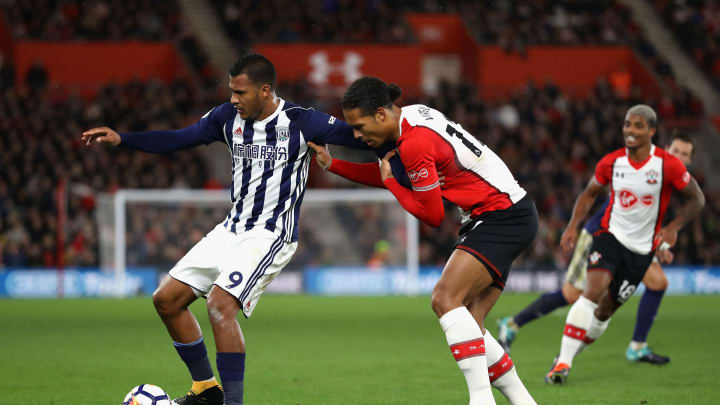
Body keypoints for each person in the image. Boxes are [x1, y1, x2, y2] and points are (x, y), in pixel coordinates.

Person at [81, 54, 372, 405]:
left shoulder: (302, 122)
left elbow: (360, 135)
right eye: (231, 91)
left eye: (240, 92)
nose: (233, 99)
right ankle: (206, 389)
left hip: (272, 233)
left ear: (265, 90)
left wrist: (406, 139)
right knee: (167, 300)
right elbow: (178, 138)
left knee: (219, 306)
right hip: (231, 228)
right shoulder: (225, 118)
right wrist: (123, 139)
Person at [308, 76, 537, 405]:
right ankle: (524, 401)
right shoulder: (414, 115)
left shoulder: (414, 144)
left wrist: (393, 187)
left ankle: (481, 400)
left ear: (382, 115)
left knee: (444, 299)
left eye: (359, 126)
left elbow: (430, 214)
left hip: (500, 216)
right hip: (508, 213)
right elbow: (395, 174)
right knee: (470, 325)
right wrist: (334, 165)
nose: (356, 135)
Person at [497, 132, 696, 366]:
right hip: (601, 236)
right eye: (676, 152)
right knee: (572, 294)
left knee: (658, 283)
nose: (680, 157)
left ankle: (637, 346)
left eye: (685, 154)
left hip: (634, 243)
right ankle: (512, 324)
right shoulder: (650, 170)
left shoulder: (671, 177)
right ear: (665, 149)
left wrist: (659, 243)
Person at [544, 105, 704, 384]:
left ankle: (566, 357)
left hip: (641, 252)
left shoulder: (667, 164)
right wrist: (572, 225)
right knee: (592, 291)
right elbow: (589, 193)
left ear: (652, 131)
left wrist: (673, 228)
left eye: (638, 126)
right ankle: (563, 365)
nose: (630, 131)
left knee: (605, 310)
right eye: (628, 125)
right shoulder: (611, 162)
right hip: (609, 237)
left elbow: (697, 199)